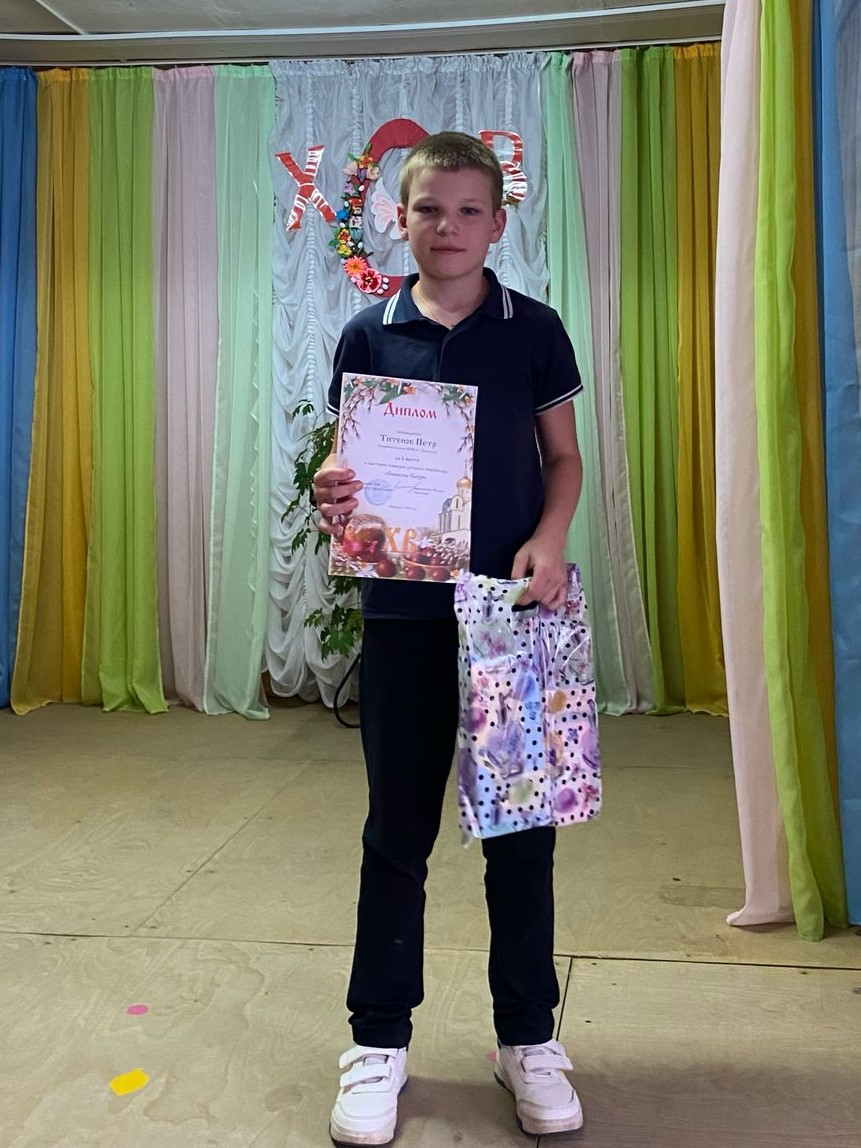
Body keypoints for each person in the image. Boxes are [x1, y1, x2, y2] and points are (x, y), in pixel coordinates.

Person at [313, 132, 585, 1146]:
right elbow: (344, 473)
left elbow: (563, 459)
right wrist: (330, 489)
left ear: (498, 224)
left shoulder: (534, 330)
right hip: (403, 617)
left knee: (520, 834)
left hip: (510, 621)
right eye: (430, 208)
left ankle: (527, 1037)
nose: (449, 227)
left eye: (470, 210)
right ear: (401, 218)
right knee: (396, 831)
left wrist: (549, 540)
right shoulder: (368, 333)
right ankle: (378, 1039)